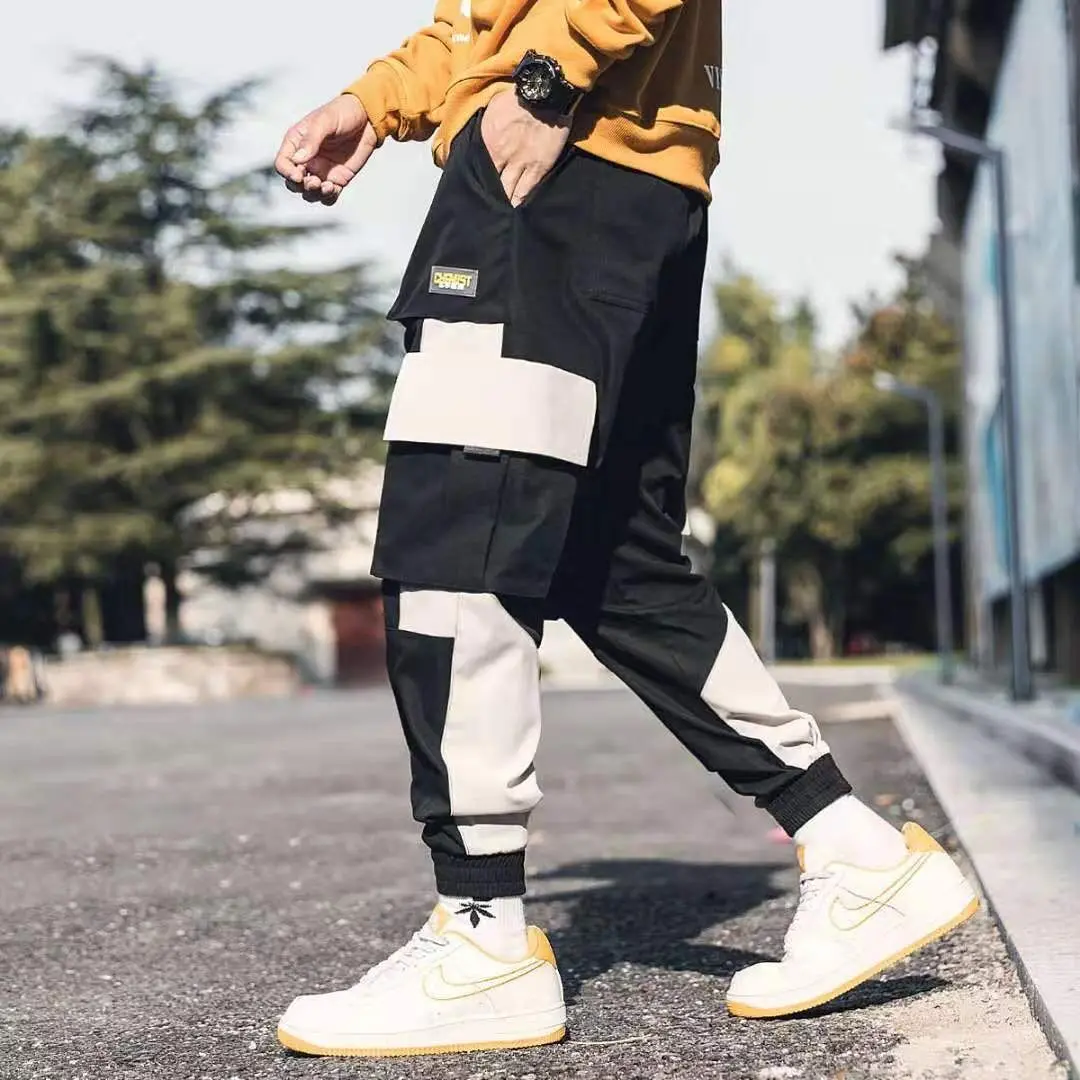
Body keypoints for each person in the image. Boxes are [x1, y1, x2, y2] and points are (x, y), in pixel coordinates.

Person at [273, 0, 979, 1058]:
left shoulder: (550, 100)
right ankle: (856, 849)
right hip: (628, 182)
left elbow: (523, 38)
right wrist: (377, 101)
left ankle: (481, 937)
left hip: (556, 159)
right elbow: (476, 21)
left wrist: (544, 84)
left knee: (457, 539)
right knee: (607, 558)